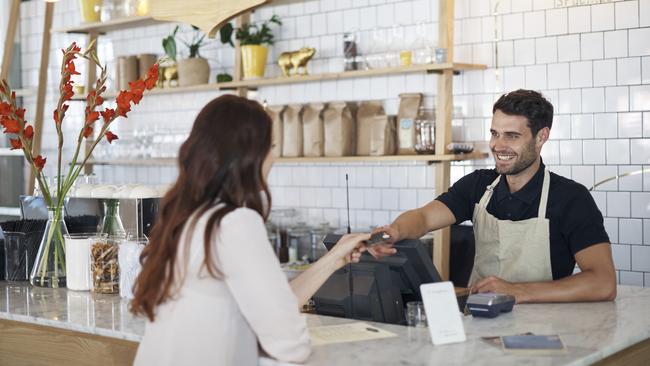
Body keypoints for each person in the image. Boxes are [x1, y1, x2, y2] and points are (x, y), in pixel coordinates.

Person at [130, 95, 369, 365]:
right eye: (271, 147)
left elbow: (273, 304)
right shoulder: (235, 223)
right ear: (248, 156)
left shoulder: (188, 217)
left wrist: (333, 259)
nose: (274, 158)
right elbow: (290, 344)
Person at [371, 89, 616, 304]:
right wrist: (394, 232)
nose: (498, 145)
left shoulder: (571, 198)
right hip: (480, 321)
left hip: (544, 331)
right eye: (495, 133)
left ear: (541, 137)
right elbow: (423, 218)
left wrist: (517, 292)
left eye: (512, 136)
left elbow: (603, 283)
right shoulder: (478, 186)